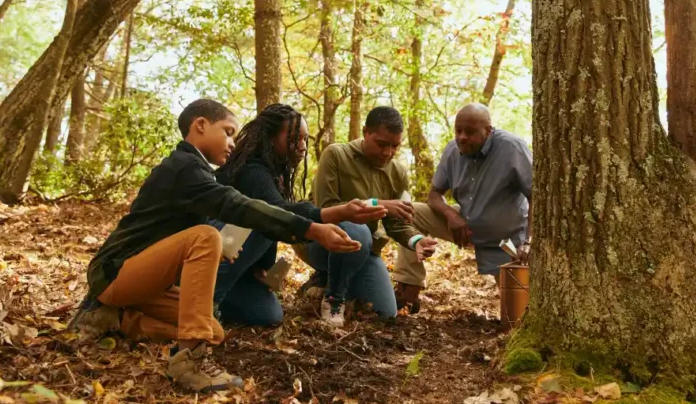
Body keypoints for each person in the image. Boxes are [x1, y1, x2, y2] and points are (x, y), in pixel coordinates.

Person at [74, 99, 361, 393]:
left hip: (144, 281)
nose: (233, 143)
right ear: (200, 126)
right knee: (206, 238)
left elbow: (178, 230)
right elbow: (236, 205)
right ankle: (189, 362)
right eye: (228, 132)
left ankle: (116, 318)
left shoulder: (196, 170)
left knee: (214, 330)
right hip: (115, 273)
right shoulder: (184, 167)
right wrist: (311, 228)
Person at [212, 104, 387, 327]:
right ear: (270, 138)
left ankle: (221, 296)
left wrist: (262, 268)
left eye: (305, 139)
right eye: (295, 139)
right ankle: (205, 300)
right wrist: (337, 212)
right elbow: (276, 213)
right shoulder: (251, 170)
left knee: (268, 315)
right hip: (211, 258)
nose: (302, 147)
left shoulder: (274, 174)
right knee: (268, 215)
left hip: (236, 266)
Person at [393, 103, 532, 313]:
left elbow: (537, 196)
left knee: (516, 316)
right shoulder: (452, 150)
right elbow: (434, 195)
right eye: (458, 130)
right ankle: (408, 289)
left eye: (470, 132)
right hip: (464, 227)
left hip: (506, 241)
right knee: (408, 212)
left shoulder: (512, 148)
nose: (462, 137)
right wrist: (451, 215)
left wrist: (529, 242)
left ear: (488, 130)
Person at [304, 106, 438, 322]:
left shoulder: (398, 172)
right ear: (366, 132)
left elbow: (396, 223)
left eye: (395, 146)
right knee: (358, 230)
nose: (388, 152)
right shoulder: (336, 155)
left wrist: (416, 240)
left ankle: (328, 280)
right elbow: (326, 208)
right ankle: (334, 297)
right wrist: (377, 203)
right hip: (320, 241)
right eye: (382, 144)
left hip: (363, 249)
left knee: (385, 313)